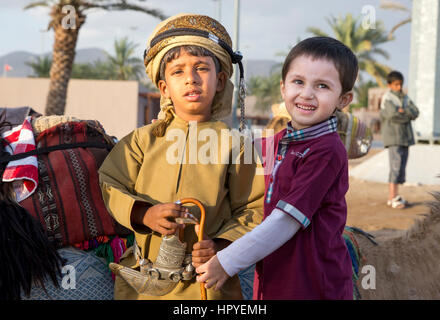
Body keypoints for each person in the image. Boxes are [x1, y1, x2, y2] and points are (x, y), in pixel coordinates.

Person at [98, 13, 264, 300]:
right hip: (143, 283)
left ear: (221, 80)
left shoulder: (236, 145)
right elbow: (110, 183)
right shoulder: (141, 141)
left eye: (202, 68)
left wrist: (223, 245)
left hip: (207, 282)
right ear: (164, 87)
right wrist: (144, 214)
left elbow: (254, 207)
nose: (191, 79)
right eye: (177, 72)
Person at [196, 37, 358, 300]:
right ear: (283, 88)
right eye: (298, 82)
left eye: (322, 86)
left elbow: (286, 222)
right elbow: (230, 153)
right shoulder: (279, 142)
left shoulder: (326, 151)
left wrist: (226, 261)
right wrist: (175, 130)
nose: (307, 94)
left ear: (344, 99)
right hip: (275, 277)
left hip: (313, 285)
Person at [380, 71, 419, 209]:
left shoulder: (405, 97)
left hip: (405, 137)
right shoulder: (387, 98)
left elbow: (416, 112)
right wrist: (406, 114)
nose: (399, 87)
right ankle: (392, 197)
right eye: (396, 84)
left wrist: (404, 111)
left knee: (401, 168)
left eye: (401, 84)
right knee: (395, 167)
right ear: (389, 85)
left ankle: (395, 197)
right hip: (393, 137)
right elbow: (393, 116)